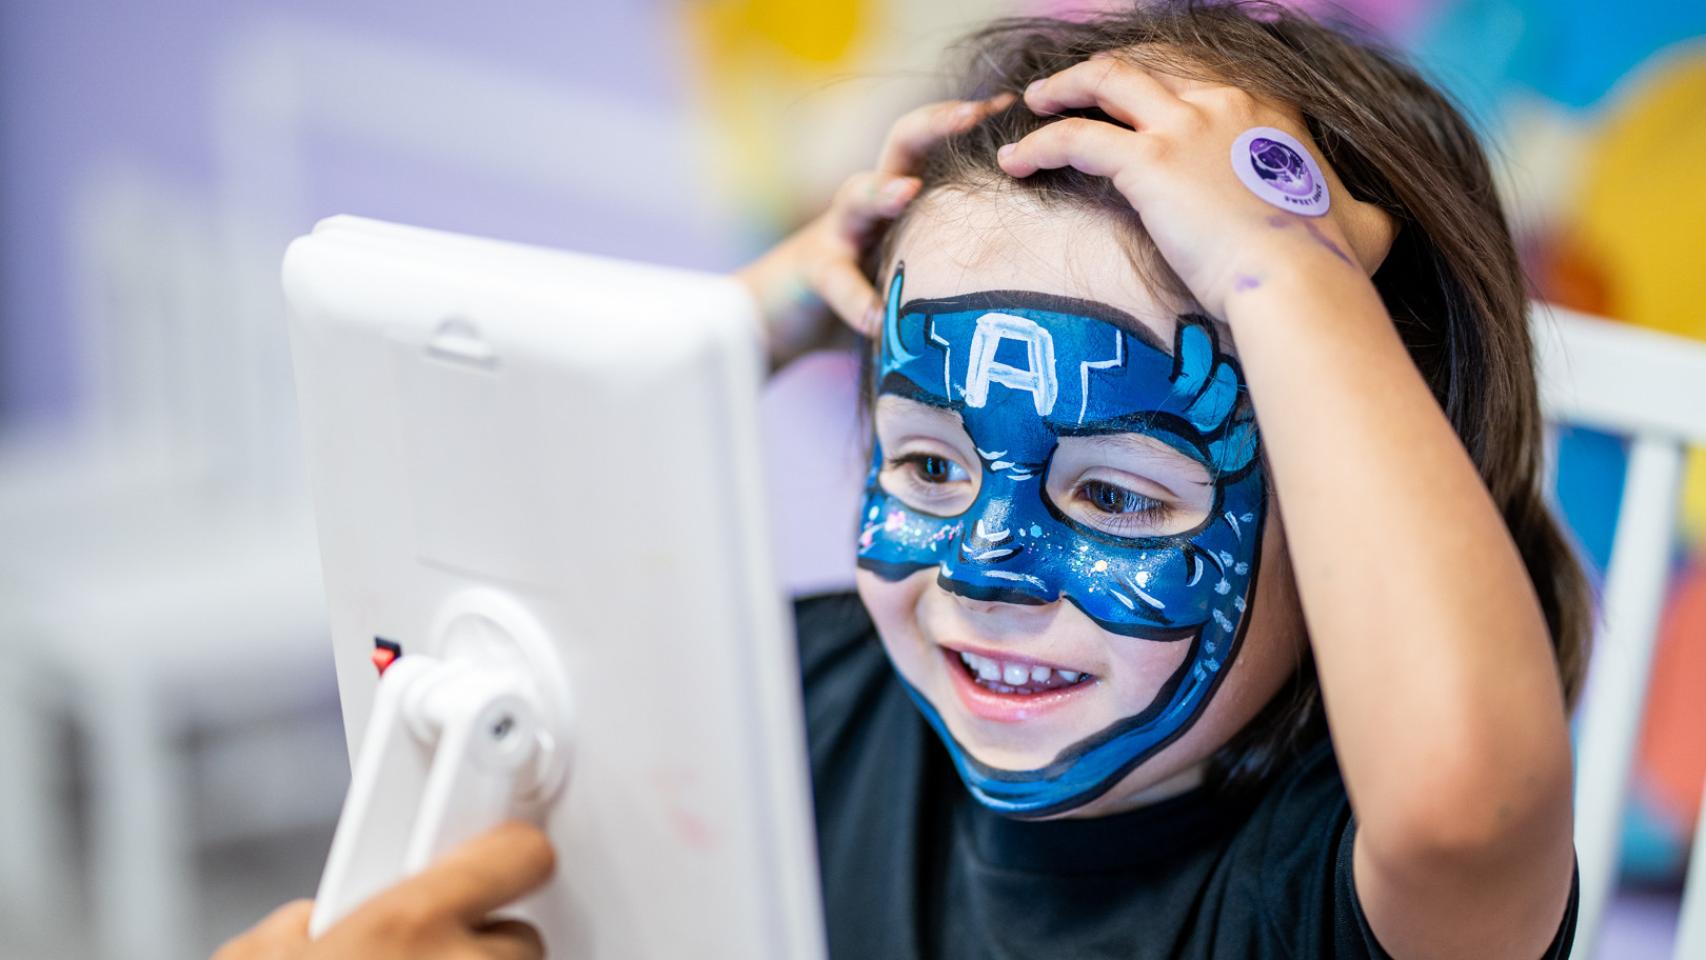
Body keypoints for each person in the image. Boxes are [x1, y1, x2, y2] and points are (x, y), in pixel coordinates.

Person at [220, 2, 1584, 957]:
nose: (977, 558)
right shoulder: (794, 705)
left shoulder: (1330, 884)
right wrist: (752, 320)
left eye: (1116, 495)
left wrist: (1280, 275)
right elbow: (472, 580)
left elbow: (1469, 799)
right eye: (926, 462)